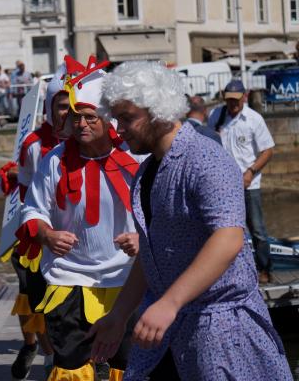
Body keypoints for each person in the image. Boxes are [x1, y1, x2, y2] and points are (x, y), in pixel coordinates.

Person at [89, 61, 292, 381]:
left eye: (127, 118)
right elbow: (151, 254)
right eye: (116, 118)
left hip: (220, 334)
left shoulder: (206, 159)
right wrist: (118, 315)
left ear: (158, 110)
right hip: (165, 332)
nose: (119, 128)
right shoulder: (147, 171)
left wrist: (170, 302)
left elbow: (228, 238)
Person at [16, 60, 142, 380]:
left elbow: (160, 213)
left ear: (107, 118)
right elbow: (31, 211)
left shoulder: (135, 157)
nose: (81, 124)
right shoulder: (54, 160)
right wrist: (47, 235)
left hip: (125, 281)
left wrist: (144, 238)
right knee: (71, 367)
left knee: (126, 367)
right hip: (68, 278)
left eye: (89, 117)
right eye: (75, 117)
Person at [0, 55, 87, 381]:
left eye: (71, 104)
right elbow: (24, 193)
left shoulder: (87, 137)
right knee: (39, 298)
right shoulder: (35, 145)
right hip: (42, 238)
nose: (67, 111)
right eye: (61, 105)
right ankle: (47, 352)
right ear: (49, 109)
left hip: (81, 239)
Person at [207, 80, 275, 284]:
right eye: (228, 100)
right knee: (227, 230)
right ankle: (233, 271)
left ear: (244, 97)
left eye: (236, 100)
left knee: (258, 231)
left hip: (249, 184)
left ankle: (264, 269)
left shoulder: (254, 119)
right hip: (223, 185)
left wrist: (251, 172)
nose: (232, 104)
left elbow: (268, 150)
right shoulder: (216, 116)